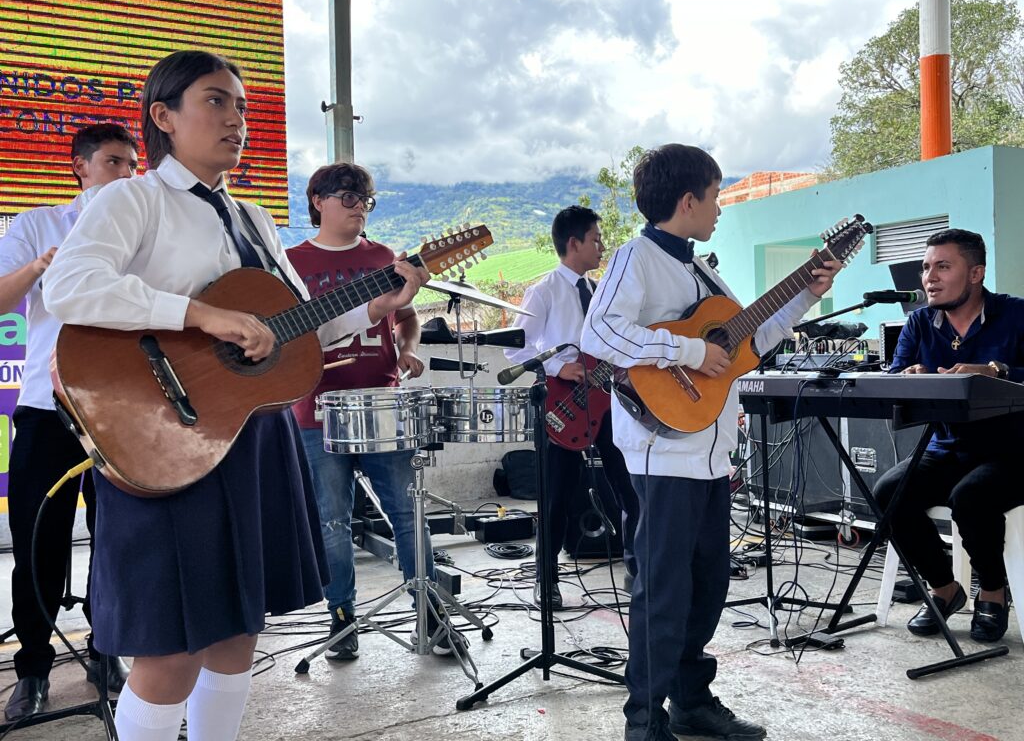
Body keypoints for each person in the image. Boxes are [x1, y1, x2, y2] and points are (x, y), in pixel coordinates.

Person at [42, 50, 427, 741]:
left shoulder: (254, 217)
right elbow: (70, 286)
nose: (237, 119)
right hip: (166, 439)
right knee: (170, 650)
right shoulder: (131, 199)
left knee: (238, 632)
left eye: (242, 106)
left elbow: (299, 325)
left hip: (249, 435)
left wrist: (379, 305)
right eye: (216, 102)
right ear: (164, 116)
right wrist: (200, 316)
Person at [580, 144, 839, 741]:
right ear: (688, 200)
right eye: (717, 195)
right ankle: (643, 723)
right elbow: (600, 332)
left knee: (709, 584)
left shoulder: (702, 271)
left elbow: (749, 342)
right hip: (662, 453)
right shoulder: (636, 257)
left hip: (710, 454)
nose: (721, 207)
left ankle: (691, 700)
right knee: (664, 592)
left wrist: (806, 292)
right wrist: (689, 350)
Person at [287, 161, 466, 659]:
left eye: (366, 198)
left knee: (409, 513)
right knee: (331, 521)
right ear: (318, 200)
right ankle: (341, 616)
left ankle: (430, 613)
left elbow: (405, 317)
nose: (359, 207)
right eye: (348, 197)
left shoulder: (384, 258)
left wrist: (409, 348)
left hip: (382, 401)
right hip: (315, 409)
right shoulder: (293, 262)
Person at [0, 122, 138, 722]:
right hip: (44, 408)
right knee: (39, 542)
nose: (127, 173)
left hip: (124, 409)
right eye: (114, 162)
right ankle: (32, 666)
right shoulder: (36, 223)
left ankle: (107, 647)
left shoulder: (141, 229)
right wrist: (39, 266)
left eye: (133, 165)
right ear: (80, 166)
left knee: (119, 537)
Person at [874, 228, 1024, 643]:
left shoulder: (1016, 314)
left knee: (971, 496)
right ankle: (945, 589)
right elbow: (892, 380)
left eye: (943, 266)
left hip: (1012, 451)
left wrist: (996, 371)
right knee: (889, 492)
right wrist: (908, 378)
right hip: (946, 447)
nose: (929, 277)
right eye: (925, 267)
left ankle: (992, 593)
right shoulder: (920, 323)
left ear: (976, 273)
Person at [504, 205, 638, 609]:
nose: (601, 246)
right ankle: (547, 580)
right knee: (556, 498)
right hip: (561, 405)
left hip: (607, 403)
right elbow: (517, 349)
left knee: (630, 491)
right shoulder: (543, 291)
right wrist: (562, 366)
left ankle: (638, 569)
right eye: (595, 239)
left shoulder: (599, 292)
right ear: (574, 243)